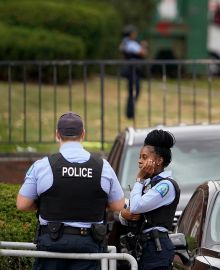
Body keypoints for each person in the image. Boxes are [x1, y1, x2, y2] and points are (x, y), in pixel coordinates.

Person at [16, 112, 125, 270]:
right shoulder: (103, 167)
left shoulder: (42, 166)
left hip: (52, 245)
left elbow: (22, 204)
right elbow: (118, 205)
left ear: (57, 135)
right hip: (89, 246)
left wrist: (44, 203)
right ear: (83, 134)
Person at [119, 129, 180, 270]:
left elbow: (136, 207)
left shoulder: (166, 185)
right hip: (143, 247)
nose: (140, 161)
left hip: (157, 248)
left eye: (145, 157)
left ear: (159, 160)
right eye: (139, 157)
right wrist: (123, 215)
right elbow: (128, 211)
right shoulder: (147, 183)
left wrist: (139, 179)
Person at [120, 25, 148, 119]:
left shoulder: (124, 43)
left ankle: (130, 112)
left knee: (132, 91)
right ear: (130, 34)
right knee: (135, 91)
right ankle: (130, 113)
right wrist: (143, 45)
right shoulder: (131, 43)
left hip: (131, 70)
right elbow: (142, 53)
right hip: (133, 70)